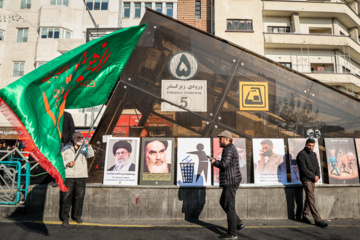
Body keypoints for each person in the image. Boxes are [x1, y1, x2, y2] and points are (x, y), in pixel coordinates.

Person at [209, 130, 243, 240]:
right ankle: (237, 223)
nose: (219, 140)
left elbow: (224, 164)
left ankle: (232, 233)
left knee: (230, 207)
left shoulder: (228, 149)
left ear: (227, 138)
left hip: (230, 181)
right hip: (231, 180)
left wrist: (214, 161)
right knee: (223, 202)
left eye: (221, 138)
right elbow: (226, 163)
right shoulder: (229, 148)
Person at [60, 131, 94, 227]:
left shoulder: (84, 148)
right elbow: (60, 161)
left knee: (79, 197)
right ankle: (65, 218)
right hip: (69, 176)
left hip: (81, 175)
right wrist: (67, 164)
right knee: (66, 197)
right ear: (73, 138)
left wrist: (88, 145)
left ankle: (77, 216)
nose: (80, 139)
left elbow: (91, 155)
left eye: (81, 137)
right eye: (78, 137)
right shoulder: (65, 149)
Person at [296, 138, 328, 228]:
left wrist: (318, 175)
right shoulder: (301, 154)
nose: (311, 147)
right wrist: (313, 176)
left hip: (313, 179)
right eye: (309, 145)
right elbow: (303, 169)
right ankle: (317, 219)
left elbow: (317, 166)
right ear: (306, 144)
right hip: (306, 179)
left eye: (312, 146)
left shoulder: (314, 154)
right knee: (311, 198)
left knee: (309, 197)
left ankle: (305, 215)